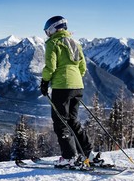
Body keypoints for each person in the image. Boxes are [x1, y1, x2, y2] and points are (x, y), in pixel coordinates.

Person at [40, 16, 103, 168]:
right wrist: (74, 81)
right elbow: (83, 67)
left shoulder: (53, 43)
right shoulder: (75, 43)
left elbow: (51, 67)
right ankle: (88, 154)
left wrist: (44, 81)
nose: (47, 32)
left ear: (53, 28)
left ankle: (69, 157)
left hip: (62, 88)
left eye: (47, 29)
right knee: (73, 121)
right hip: (78, 86)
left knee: (61, 122)